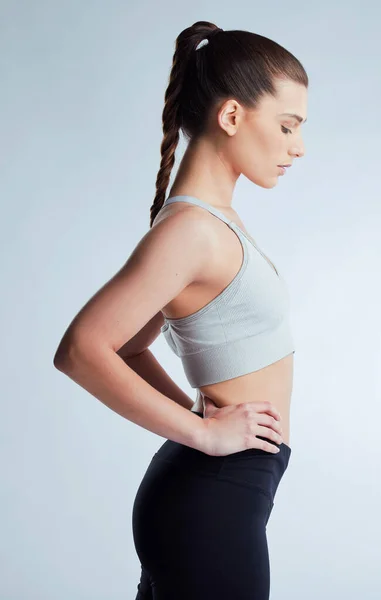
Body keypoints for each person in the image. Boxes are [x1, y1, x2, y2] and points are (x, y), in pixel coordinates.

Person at [53, 19, 308, 600]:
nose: (299, 145)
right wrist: (203, 433)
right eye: (288, 125)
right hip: (211, 499)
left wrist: (199, 426)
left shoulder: (208, 222)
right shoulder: (193, 230)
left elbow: (131, 344)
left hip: (221, 490)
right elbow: (81, 349)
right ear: (233, 116)